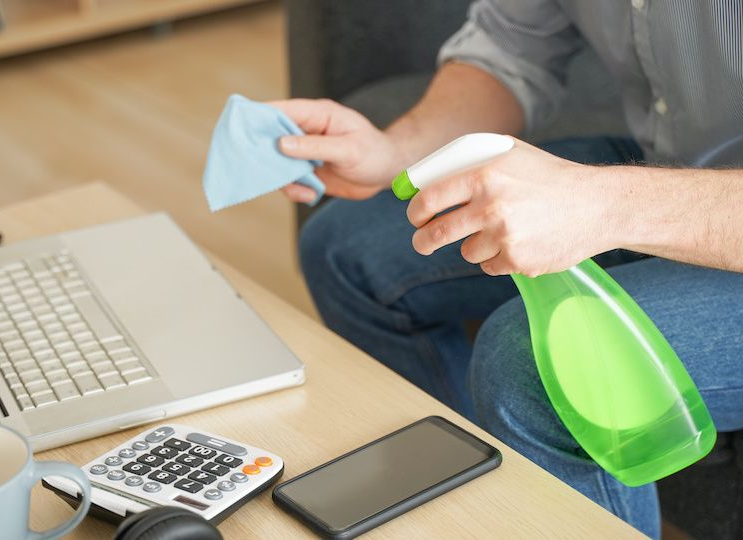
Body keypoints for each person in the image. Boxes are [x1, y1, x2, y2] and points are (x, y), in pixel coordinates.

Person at [270, 1, 743, 537]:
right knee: (348, 250)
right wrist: (394, 150)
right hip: (677, 163)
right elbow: (513, 46)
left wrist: (605, 204)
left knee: (526, 366)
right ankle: (474, 509)